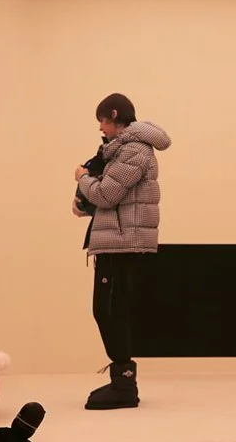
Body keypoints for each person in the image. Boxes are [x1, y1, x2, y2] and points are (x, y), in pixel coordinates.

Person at [71, 93, 171, 410]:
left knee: (109, 310)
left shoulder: (134, 151)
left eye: (103, 120)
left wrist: (82, 179)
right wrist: (85, 206)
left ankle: (124, 384)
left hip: (122, 244)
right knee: (111, 310)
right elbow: (118, 201)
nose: (100, 128)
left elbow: (108, 194)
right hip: (119, 240)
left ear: (115, 117)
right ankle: (122, 380)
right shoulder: (121, 151)